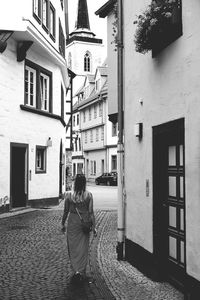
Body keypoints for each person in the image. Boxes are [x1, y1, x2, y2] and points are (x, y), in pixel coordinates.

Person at [61, 174, 97, 284]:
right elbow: (91, 213)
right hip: (84, 223)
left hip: (73, 224)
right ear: (85, 183)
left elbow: (66, 211)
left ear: (75, 183)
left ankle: (76, 270)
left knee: (73, 248)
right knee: (83, 248)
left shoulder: (69, 195)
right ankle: (81, 271)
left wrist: (63, 224)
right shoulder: (89, 195)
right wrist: (94, 227)